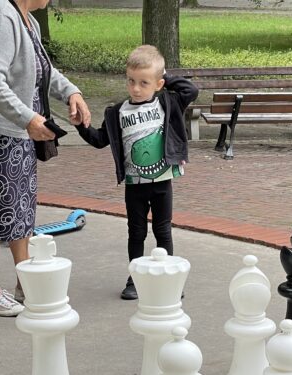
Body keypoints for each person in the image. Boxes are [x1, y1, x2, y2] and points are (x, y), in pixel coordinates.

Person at [0, 0, 91, 317]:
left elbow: (43, 71)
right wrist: (27, 118)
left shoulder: (29, 20)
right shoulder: (2, 17)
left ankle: (26, 281)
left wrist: (72, 92)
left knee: (19, 206)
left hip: (17, 130)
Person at [73, 45, 198, 300]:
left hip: (162, 182)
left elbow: (191, 90)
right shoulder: (117, 112)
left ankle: (169, 278)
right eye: (131, 81)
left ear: (159, 83)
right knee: (136, 232)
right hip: (135, 185)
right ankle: (136, 279)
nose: (136, 88)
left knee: (163, 231)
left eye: (144, 82)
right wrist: (81, 126)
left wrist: (163, 75)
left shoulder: (168, 102)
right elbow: (98, 140)